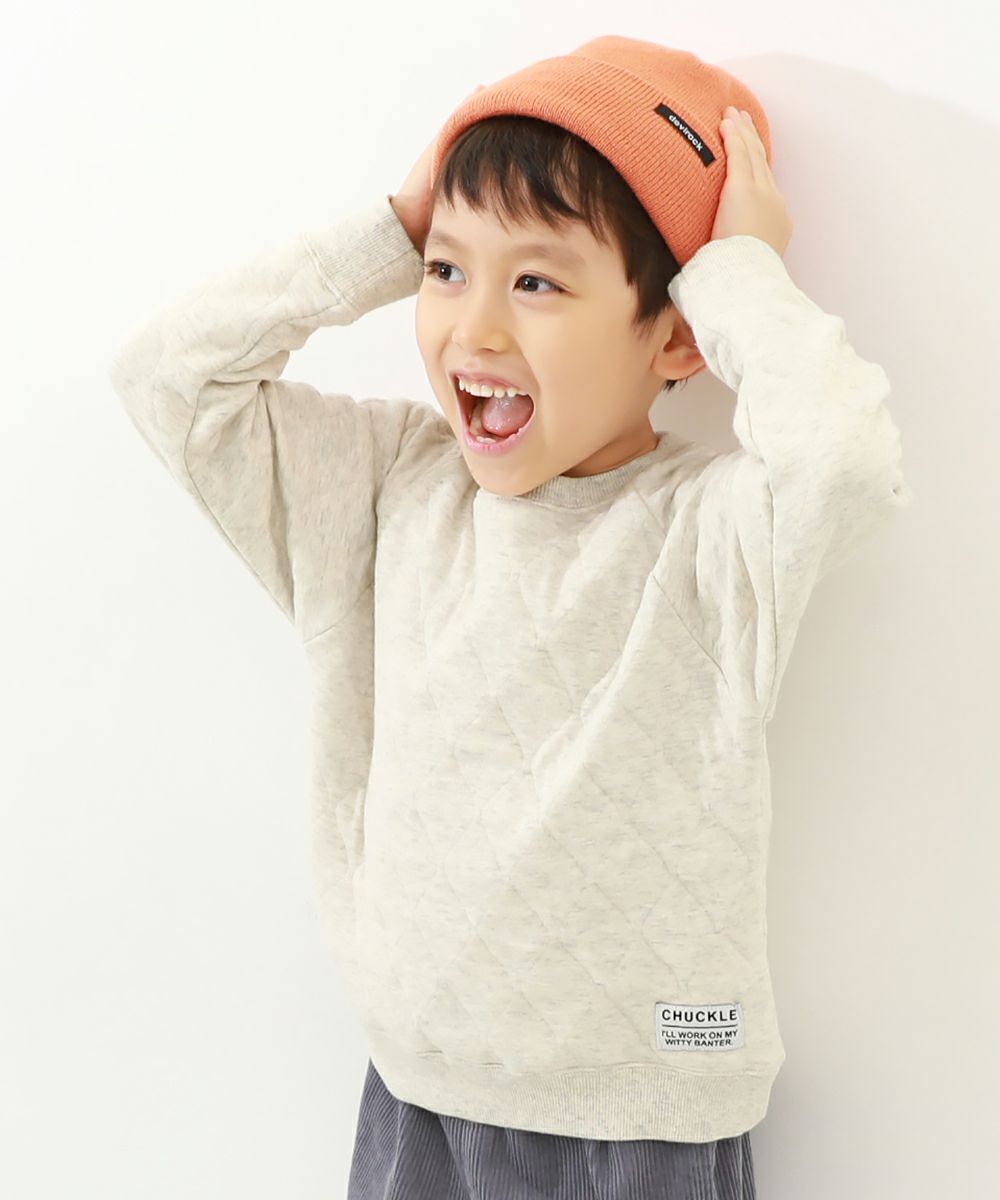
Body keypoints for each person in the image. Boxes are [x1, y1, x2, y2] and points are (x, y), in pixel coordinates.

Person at [108, 35, 914, 1200]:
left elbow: (843, 463)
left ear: (674, 334)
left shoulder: (714, 535)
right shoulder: (383, 494)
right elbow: (165, 378)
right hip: (421, 1093)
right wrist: (389, 233)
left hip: (645, 1116)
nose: (474, 330)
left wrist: (739, 272)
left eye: (535, 282)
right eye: (447, 271)